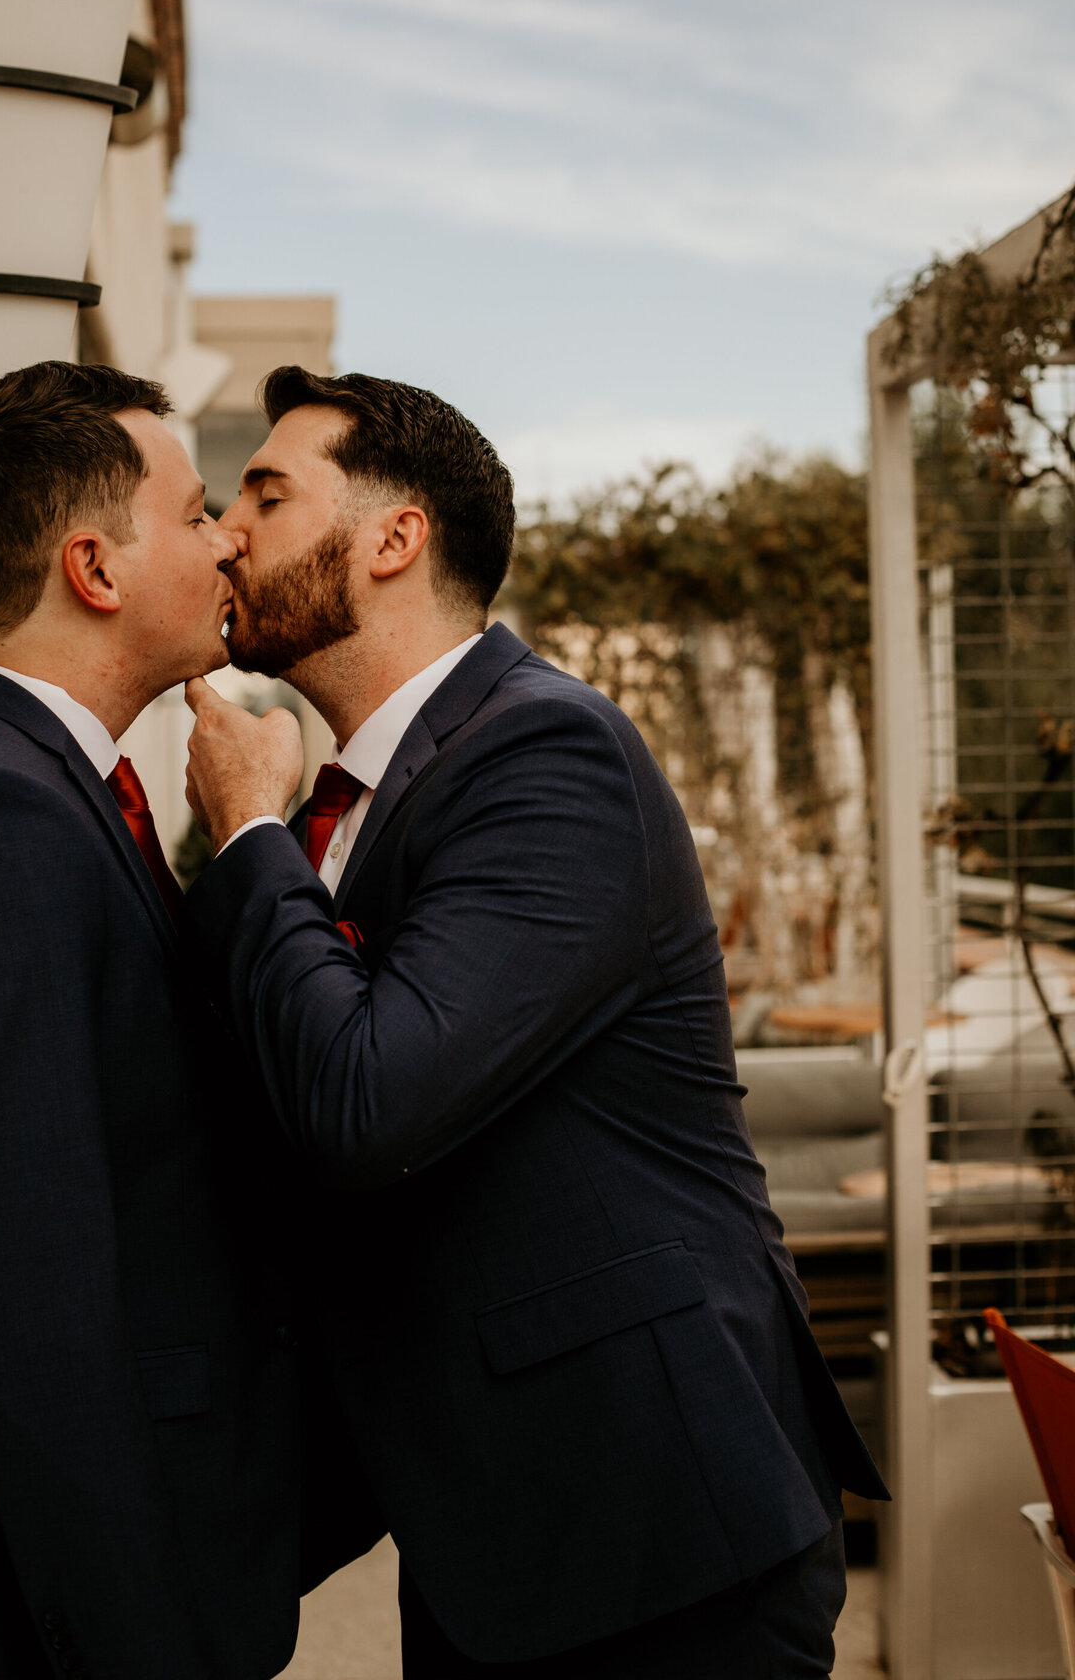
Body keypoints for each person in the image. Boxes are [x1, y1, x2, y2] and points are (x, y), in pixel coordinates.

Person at [182, 366, 888, 1679]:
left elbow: (365, 1102)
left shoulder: (545, 755)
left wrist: (250, 833)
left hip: (660, 1543)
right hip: (498, 1531)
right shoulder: (368, 794)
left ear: (395, 539)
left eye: (265, 496)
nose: (227, 531)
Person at [0, 363, 306, 1680]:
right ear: (95, 570)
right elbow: (29, 1297)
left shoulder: (21, 781)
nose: (228, 534)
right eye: (192, 516)